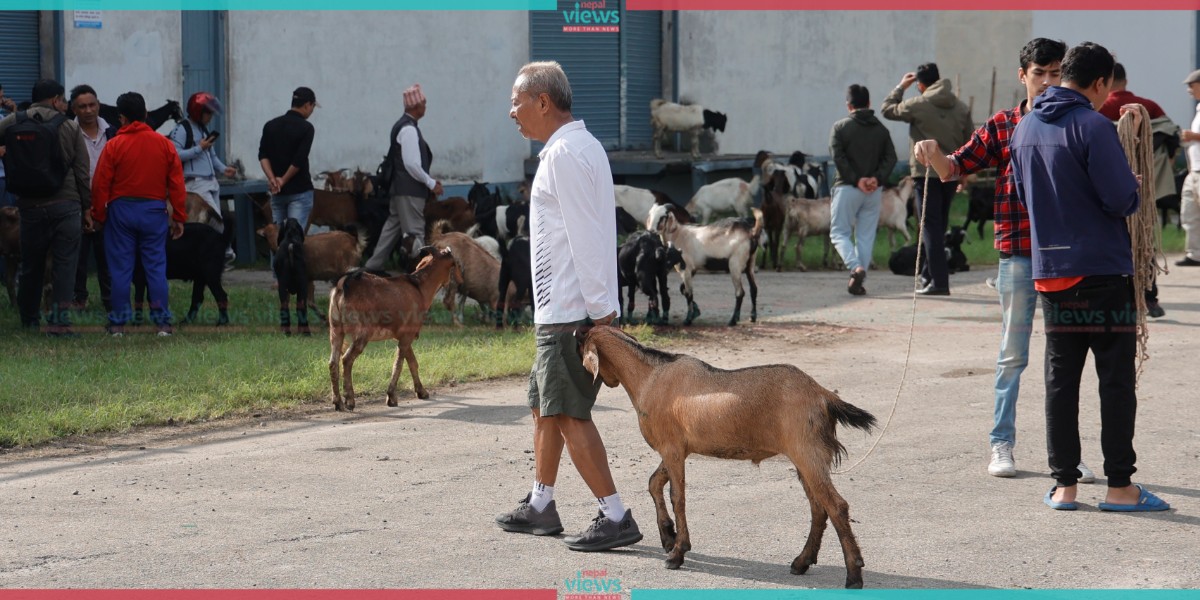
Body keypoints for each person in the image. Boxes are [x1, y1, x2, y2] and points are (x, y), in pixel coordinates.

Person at [913, 39, 1095, 482]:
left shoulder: (1079, 123)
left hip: (1065, 257)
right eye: (1040, 73)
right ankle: (1001, 442)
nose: (1049, 82)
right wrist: (934, 152)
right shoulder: (1003, 125)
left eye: (1056, 73)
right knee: (1012, 355)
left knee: (1066, 358)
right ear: (1023, 76)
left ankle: (1067, 455)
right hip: (1017, 253)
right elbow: (953, 168)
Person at [1010, 41, 1168, 512]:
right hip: (1102, 273)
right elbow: (1121, 200)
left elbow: (1024, 197)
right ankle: (1120, 488)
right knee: (1115, 381)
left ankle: (1064, 487)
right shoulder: (1094, 127)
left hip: (1052, 277)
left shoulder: (1024, 128)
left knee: (1061, 383)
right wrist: (1131, 186)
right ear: (1099, 83)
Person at [495, 61, 642, 552]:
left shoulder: (563, 155)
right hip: (559, 308)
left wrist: (602, 313)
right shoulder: (582, 146)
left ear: (542, 101)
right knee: (544, 406)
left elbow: (587, 235)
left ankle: (615, 514)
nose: (511, 111)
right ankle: (541, 504)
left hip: (568, 311)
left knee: (569, 413)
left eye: (517, 101)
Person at [91, 91, 187, 337]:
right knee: (155, 267)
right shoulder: (164, 144)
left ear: (121, 118)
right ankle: (162, 324)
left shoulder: (114, 145)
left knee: (121, 269)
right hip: (154, 211)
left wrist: (99, 216)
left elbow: (101, 184)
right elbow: (177, 184)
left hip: (121, 211)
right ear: (145, 114)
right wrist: (179, 217)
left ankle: (117, 325)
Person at [0, 78, 91, 337]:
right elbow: (82, 171)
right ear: (55, 100)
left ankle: (29, 319)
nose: (65, 105)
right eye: (63, 100)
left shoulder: (13, 121)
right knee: (65, 266)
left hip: (29, 206)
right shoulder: (69, 127)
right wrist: (87, 208)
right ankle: (59, 324)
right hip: (66, 204)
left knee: (32, 265)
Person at [882, 62, 974, 296]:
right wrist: (963, 173)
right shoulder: (961, 107)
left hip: (926, 174)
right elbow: (969, 141)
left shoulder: (917, 104)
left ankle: (939, 283)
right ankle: (928, 274)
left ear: (920, 85)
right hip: (951, 172)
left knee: (930, 227)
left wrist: (901, 87)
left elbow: (887, 109)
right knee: (939, 225)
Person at [1098, 63, 1176, 318]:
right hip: (1145, 188)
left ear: (1106, 82)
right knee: (1144, 240)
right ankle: (1150, 298)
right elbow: (1172, 139)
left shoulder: (1101, 108)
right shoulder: (1148, 106)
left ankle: (1120, 300)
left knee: (1115, 241)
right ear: (1126, 80)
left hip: (1111, 187)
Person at [364, 84, 443, 271]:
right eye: (424, 103)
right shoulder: (409, 130)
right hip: (410, 191)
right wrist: (431, 183)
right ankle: (424, 272)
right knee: (415, 231)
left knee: (391, 228)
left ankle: (372, 267)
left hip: (399, 189)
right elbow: (412, 164)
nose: (425, 106)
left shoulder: (402, 126)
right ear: (416, 106)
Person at [828, 84, 897, 296]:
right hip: (873, 192)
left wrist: (856, 179)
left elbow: (838, 157)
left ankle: (854, 267)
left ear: (848, 105)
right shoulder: (881, 129)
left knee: (839, 232)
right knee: (865, 236)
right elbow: (891, 158)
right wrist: (877, 178)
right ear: (869, 103)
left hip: (847, 188)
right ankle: (860, 278)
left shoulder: (840, 127)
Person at [171, 91, 237, 266]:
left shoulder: (203, 129)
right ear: (198, 112)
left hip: (210, 182)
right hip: (195, 184)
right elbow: (175, 155)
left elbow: (211, 156)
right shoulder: (181, 129)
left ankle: (219, 253)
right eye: (208, 113)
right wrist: (198, 149)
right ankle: (225, 253)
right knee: (216, 220)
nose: (210, 117)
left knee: (212, 221)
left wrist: (225, 169)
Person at [69, 84, 114, 315]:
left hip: (108, 205)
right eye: (82, 106)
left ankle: (110, 299)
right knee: (78, 257)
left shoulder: (112, 132)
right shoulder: (67, 133)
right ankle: (79, 299)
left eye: (92, 105)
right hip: (77, 203)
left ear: (98, 105)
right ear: (74, 109)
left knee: (107, 256)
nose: (88, 110)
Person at [259, 86, 317, 228]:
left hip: (277, 192)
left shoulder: (270, 125)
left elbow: (263, 155)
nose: (312, 111)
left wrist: (273, 179)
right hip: (299, 191)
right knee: (294, 238)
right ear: (307, 105)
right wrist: (283, 180)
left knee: (278, 239)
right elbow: (299, 160)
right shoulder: (307, 128)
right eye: (313, 106)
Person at [1178, 69, 1200, 267]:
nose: (1189, 90)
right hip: (1195, 170)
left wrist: (1194, 137)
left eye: (1191, 85)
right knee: (1189, 212)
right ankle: (1195, 254)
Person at [0, 82, 17, 207]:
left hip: (5, 177)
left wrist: (14, 111)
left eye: (2, 97)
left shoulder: (1, 118)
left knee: (10, 221)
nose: (2, 102)